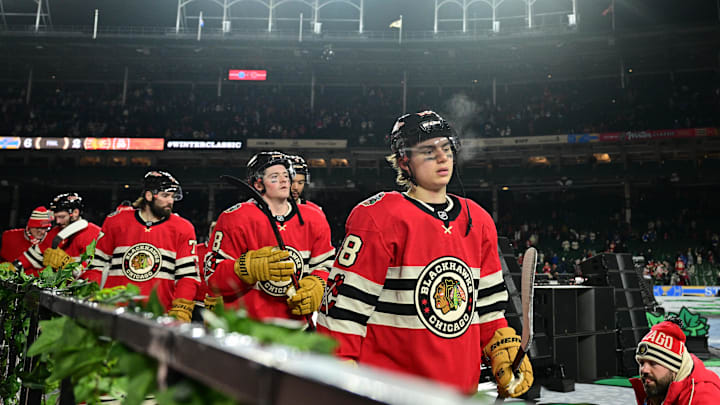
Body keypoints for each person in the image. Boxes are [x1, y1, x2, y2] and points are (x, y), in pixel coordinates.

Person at [316, 110, 533, 397]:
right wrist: (340, 375)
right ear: (404, 161)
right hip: (391, 392)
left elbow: (489, 307)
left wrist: (503, 349)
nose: (442, 157)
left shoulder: (477, 219)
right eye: (428, 151)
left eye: (446, 148)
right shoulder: (378, 217)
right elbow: (343, 313)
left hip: (461, 394)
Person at [206, 151, 335, 324]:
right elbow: (213, 278)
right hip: (246, 331)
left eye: (286, 175)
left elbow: (325, 267)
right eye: (275, 176)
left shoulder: (315, 217)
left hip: (297, 330)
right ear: (258, 184)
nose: (284, 180)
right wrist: (245, 269)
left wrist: (317, 284)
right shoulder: (233, 218)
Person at [81, 171, 200, 321]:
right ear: (149, 196)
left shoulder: (183, 228)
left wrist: (182, 308)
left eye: (173, 196)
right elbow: (96, 267)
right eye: (165, 195)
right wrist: (90, 295)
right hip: (113, 312)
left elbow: (187, 276)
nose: (171, 201)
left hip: (159, 315)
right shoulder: (115, 222)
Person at [630, 318, 720, 404]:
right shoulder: (656, 391)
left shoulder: (703, 398)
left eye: (653, 363)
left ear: (674, 367)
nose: (644, 370)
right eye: (642, 363)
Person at [17, 193, 101, 276]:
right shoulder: (55, 232)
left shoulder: (93, 233)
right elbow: (34, 255)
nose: (57, 222)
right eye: (55, 217)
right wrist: (14, 266)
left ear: (75, 213)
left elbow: (95, 271)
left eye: (61, 217)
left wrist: (68, 266)